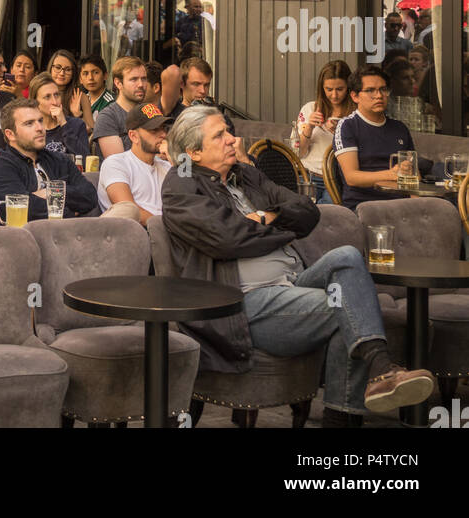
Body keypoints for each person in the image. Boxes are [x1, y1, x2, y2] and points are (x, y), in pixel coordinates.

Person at [162, 104, 435, 423]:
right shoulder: (181, 186)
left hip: (292, 284)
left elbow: (307, 210)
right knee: (350, 307)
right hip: (243, 304)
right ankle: (376, 374)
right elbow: (229, 238)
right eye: (219, 135)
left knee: (346, 256)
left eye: (228, 131)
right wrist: (280, 225)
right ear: (193, 153)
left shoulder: (245, 174)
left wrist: (266, 218)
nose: (232, 140)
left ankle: (376, 374)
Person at [0, 99, 101, 220]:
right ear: (10, 134)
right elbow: (24, 209)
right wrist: (68, 212)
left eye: (40, 121)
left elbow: (90, 196)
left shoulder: (60, 160)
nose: (40, 128)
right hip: (26, 236)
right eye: (29, 123)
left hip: (68, 233)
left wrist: (49, 192)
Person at [332, 65, 422, 212]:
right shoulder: (347, 126)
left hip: (401, 205)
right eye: (370, 90)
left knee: (445, 211)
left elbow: (415, 176)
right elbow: (351, 177)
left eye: (383, 89)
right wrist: (391, 174)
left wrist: (419, 209)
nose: (379, 96)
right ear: (355, 96)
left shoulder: (399, 128)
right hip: (365, 206)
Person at [97, 107, 172, 223]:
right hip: (133, 234)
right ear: (133, 136)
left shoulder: (167, 166)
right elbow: (129, 211)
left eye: (163, 128)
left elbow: (189, 193)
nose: (162, 134)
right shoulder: (115, 163)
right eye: (154, 130)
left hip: (167, 232)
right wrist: (170, 226)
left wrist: (176, 156)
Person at [296, 60, 352, 201]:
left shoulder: (355, 114)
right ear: (322, 88)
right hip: (306, 176)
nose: (334, 95)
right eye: (329, 89)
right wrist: (309, 127)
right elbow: (298, 153)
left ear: (349, 87)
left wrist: (342, 133)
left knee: (327, 214)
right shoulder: (310, 109)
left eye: (340, 89)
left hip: (336, 179)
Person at [92, 55, 148, 160]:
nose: (141, 84)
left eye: (144, 79)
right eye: (134, 79)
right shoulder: (108, 117)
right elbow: (119, 163)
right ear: (118, 83)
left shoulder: (149, 112)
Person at [28, 72, 90, 162]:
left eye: (56, 95)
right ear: (35, 102)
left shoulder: (77, 125)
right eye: (47, 97)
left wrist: (64, 124)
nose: (54, 102)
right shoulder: (30, 130)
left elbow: (85, 161)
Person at [45, 50, 93, 132]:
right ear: (50, 68)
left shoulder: (80, 97)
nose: (62, 73)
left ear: (73, 73)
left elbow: (91, 131)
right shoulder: (41, 93)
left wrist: (78, 115)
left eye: (67, 69)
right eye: (57, 67)